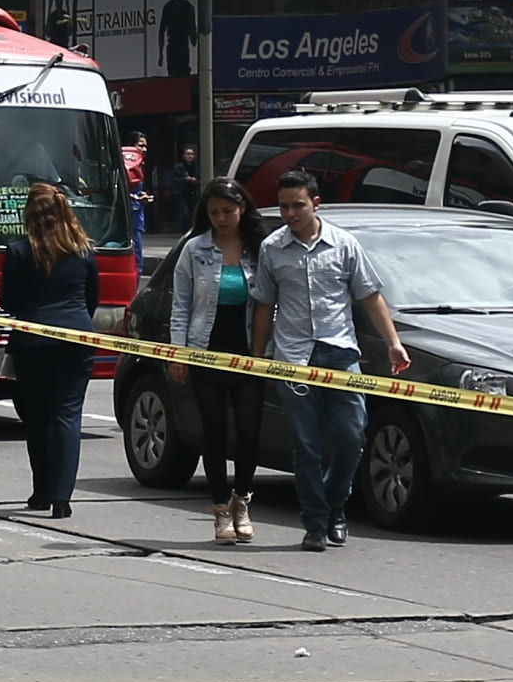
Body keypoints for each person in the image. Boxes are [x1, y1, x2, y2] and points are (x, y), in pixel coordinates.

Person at [247, 169, 410, 552]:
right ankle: (316, 522)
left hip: (339, 353)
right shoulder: (272, 248)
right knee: (306, 445)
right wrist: (257, 357)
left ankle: (337, 503)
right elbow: (264, 305)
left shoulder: (344, 244)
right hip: (293, 357)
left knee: (352, 435)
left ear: (315, 204)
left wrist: (393, 343)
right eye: (284, 207)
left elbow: (370, 295)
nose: (290, 214)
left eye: (298, 205)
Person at [167, 176, 268, 545]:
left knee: (249, 431)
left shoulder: (260, 249)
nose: (221, 219)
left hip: (248, 352)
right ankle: (220, 509)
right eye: (214, 213)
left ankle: (242, 501)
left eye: (228, 211)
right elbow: (181, 305)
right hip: (205, 349)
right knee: (214, 431)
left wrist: (264, 351)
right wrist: (179, 353)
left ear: (242, 209)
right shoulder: (194, 250)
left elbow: (271, 301)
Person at [1, 178, 100, 519]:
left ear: (29, 213)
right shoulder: (83, 249)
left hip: (32, 340)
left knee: (36, 417)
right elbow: (92, 298)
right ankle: (62, 496)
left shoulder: (18, 251)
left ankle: (41, 490)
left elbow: (9, 301)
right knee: (67, 414)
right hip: (77, 338)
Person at [150, 144, 200, 240]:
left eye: (192, 154)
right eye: (188, 154)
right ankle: (185, 232)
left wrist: (195, 181)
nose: (190, 156)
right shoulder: (178, 167)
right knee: (185, 213)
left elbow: (199, 179)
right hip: (181, 194)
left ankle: (191, 232)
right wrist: (185, 179)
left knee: (192, 214)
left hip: (192, 194)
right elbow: (173, 180)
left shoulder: (196, 168)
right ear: (183, 155)